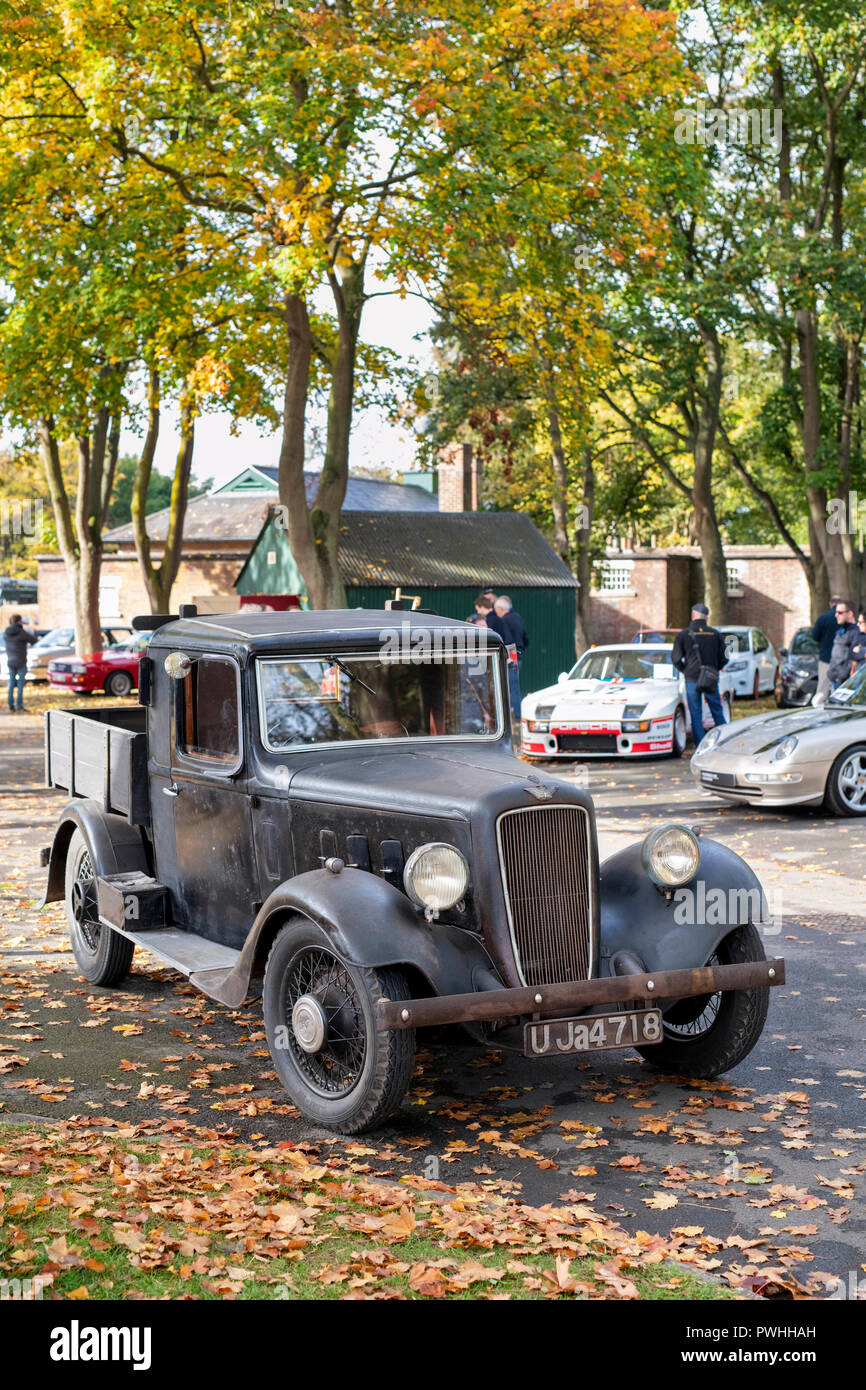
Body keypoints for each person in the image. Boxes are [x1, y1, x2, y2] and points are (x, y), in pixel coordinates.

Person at [671, 603, 729, 747]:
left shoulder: (683, 634)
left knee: (696, 715)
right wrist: (715, 669)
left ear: (692, 615)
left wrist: (685, 670)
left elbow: (675, 658)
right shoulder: (715, 634)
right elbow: (725, 657)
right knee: (717, 711)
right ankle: (724, 742)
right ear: (706, 617)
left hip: (692, 679)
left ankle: (701, 746)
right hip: (710, 678)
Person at [493, 596, 529, 715]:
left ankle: (517, 715)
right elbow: (525, 638)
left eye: (496, 609)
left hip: (511, 654)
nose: (496, 612)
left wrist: (508, 656)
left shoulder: (504, 620)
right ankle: (517, 713)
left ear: (501, 608)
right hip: (518, 654)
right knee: (514, 686)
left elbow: (507, 640)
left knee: (512, 687)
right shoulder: (517, 617)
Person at [3, 613, 38, 712]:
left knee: (11, 684)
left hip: (10, 661)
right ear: (19, 621)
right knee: (20, 685)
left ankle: (10, 705)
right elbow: (34, 641)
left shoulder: (6, 632)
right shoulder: (22, 632)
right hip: (21, 661)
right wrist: (31, 632)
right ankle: (19, 706)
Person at [812, 595, 843, 705]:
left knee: (822, 691)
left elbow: (815, 636)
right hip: (841, 661)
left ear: (831, 604)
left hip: (825, 658)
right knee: (838, 691)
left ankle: (818, 713)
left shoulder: (823, 618)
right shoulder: (845, 620)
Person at [826, 600, 859, 691]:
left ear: (850, 613)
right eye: (836, 612)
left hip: (844, 682)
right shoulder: (841, 630)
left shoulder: (856, 632)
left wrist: (842, 676)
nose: (836, 615)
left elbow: (854, 659)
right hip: (834, 679)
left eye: (840, 612)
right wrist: (831, 674)